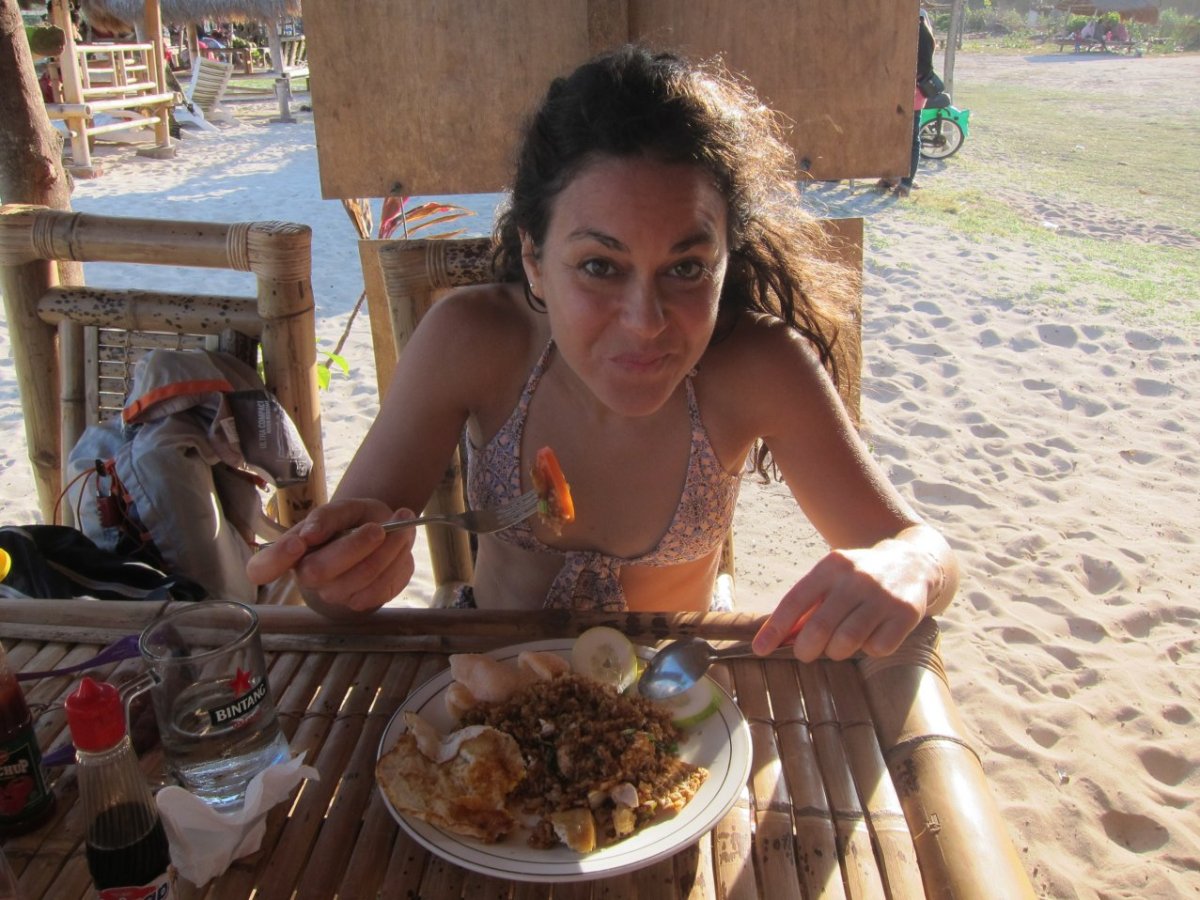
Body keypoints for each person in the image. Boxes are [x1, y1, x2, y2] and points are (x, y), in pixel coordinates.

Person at [248, 44, 959, 664]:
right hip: (488, 703)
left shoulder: (759, 367)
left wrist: (910, 564)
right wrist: (340, 575)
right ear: (534, 257)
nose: (645, 323)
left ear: (726, 258)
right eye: (599, 267)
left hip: (672, 707)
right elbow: (338, 576)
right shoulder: (471, 341)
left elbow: (921, 547)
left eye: (686, 268)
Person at [877, 10, 936, 198]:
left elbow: (924, 66)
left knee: (911, 139)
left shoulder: (921, 33)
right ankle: (891, 176)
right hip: (898, 90)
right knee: (892, 135)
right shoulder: (903, 30)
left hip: (913, 91)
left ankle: (906, 183)